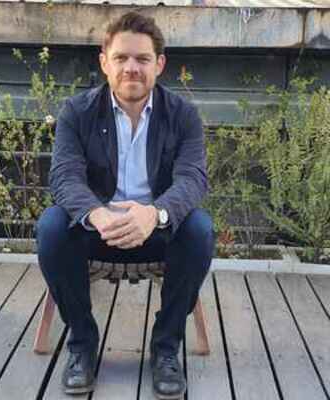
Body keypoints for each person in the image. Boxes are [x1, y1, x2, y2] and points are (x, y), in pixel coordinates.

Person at [36, 11, 215, 400]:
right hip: (96, 231)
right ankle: (82, 343)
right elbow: (64, 176)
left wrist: (155, 214)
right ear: (104, 62)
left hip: (158, 232)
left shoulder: (183, 115)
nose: (131, 68)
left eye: (142, 59)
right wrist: (97, 214)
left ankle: (166, 347)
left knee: (199, 230)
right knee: (51, 228)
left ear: (159, 64)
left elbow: (192, 178)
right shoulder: (77, 112)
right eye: (121, 57)